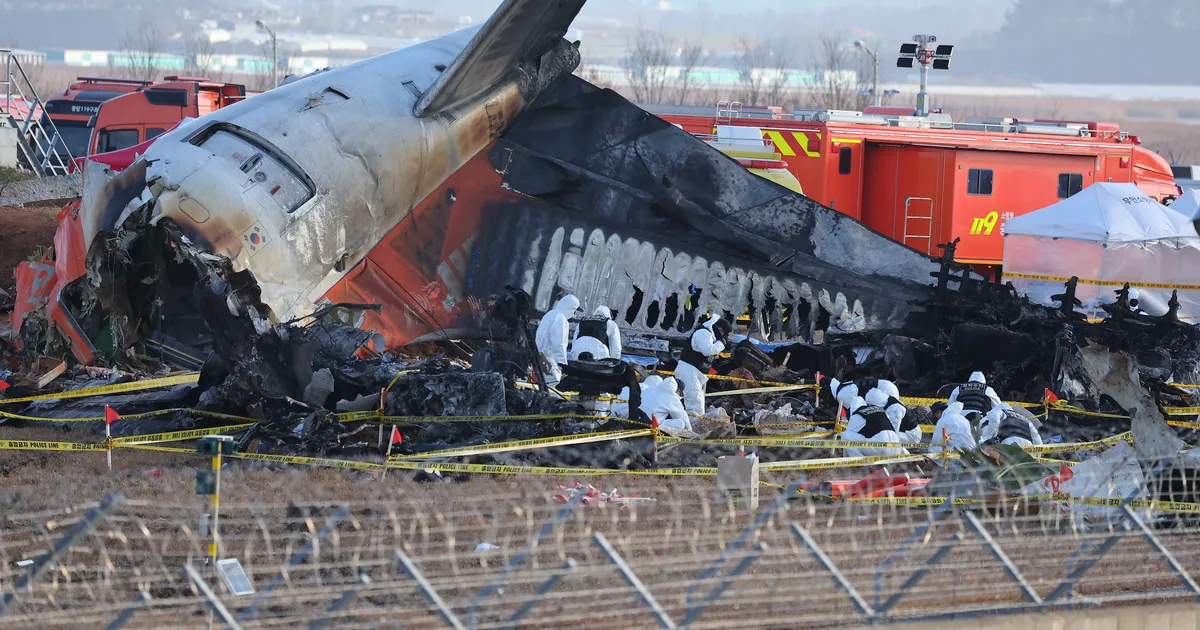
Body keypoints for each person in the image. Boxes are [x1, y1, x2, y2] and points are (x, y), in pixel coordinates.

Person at [675, 315, 731, 415]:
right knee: (695, 402)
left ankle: (693, 421)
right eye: (723, 333)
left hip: (694, 372)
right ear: (719, 328)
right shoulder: (703, 333)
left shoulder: (709, 335)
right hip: (689, 370)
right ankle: (694, 422)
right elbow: (707, 350)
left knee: (697, 400)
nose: (722, 336)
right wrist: (721, 343)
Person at [534, 294, 580, 387]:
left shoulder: (550, 314)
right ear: (570, 309)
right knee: (554, 390)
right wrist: (564, 367)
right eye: (574, 311)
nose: (574, 314)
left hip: (538, 359)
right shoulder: (560, 319)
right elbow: (559, 346)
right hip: (549, 362)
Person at [841, 395, 907, 457]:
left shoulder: (857, 415)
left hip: (880, 449)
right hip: (896, 448)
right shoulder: (881, 410)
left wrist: (845, 457)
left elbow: (848, 436)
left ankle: (861, 463)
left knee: (845, 435)